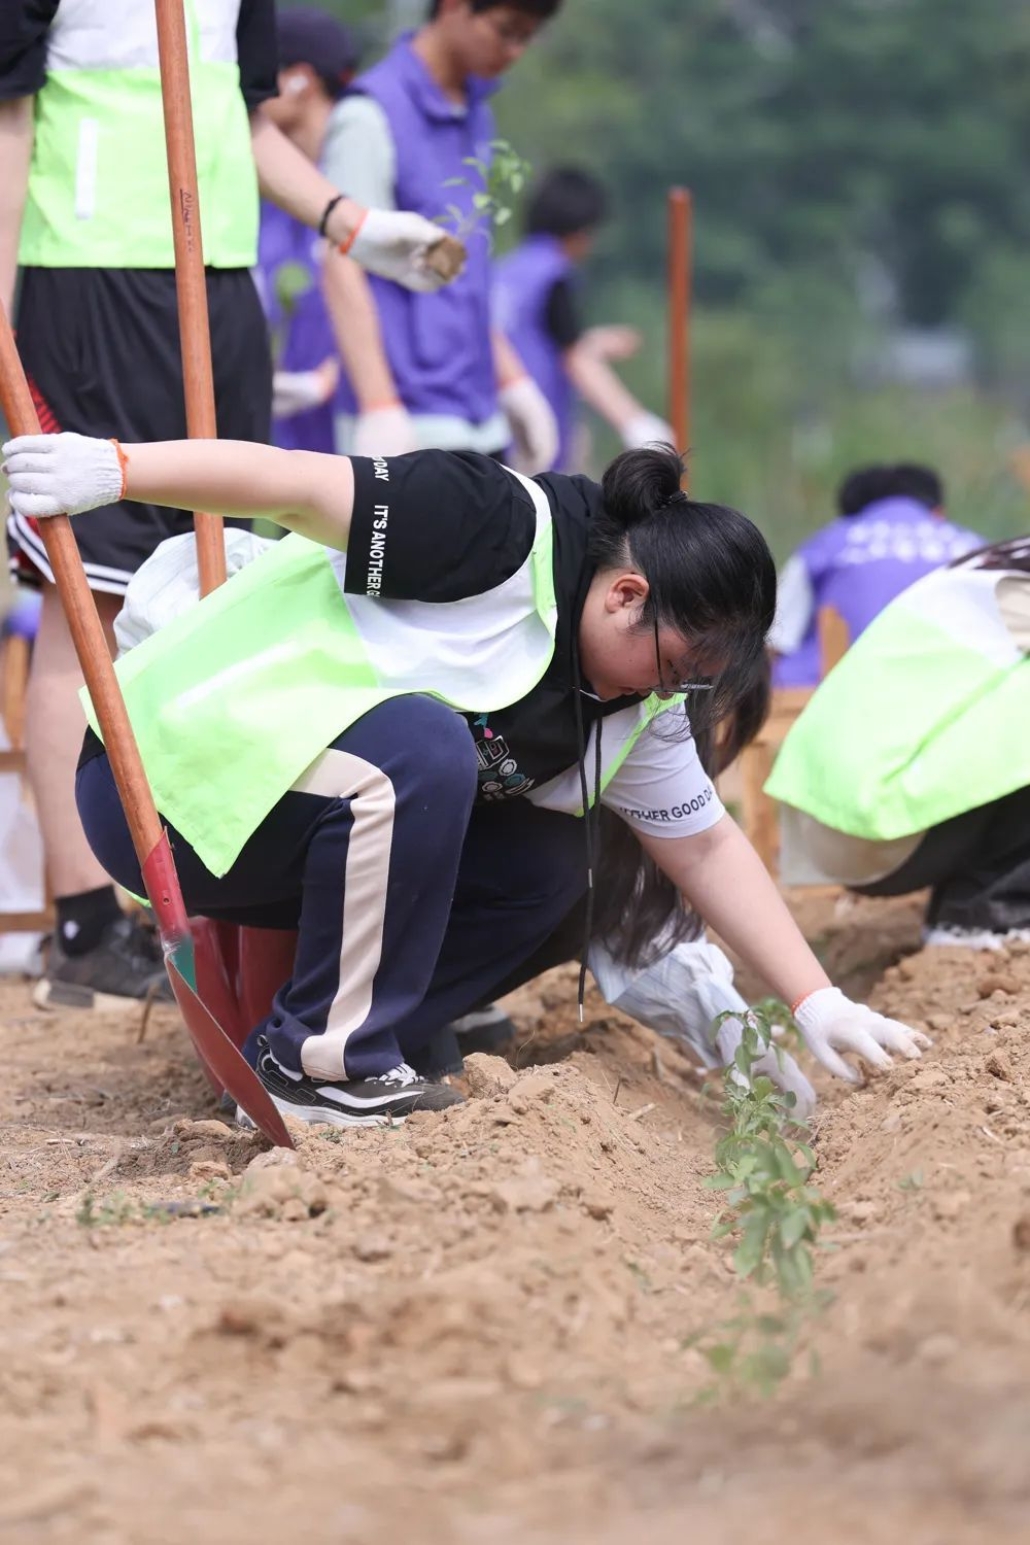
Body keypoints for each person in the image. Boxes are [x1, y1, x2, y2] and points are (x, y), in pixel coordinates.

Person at [4, 429, 930, 1125]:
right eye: (675, 665)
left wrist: (818, 1000)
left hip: (307, 816)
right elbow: (289, 482)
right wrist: (118, 468)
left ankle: (364, 1038)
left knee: (557, 868)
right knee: (426, 749)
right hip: (169, 785)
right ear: (625, 595)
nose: (674, 694)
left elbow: (701, 845)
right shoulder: (488, 526)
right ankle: (319, 1065)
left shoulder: (636, 700)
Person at [0, 0, 462, 1012]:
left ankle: (219, 891)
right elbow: (11, 118)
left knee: (216, 585)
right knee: (91, 599)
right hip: (88, 281)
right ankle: (83, 918)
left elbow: (248, 122)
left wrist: (349, 222)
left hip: (217, 279)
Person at [319, 0, 561, 468]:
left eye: (526, 38)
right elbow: (340, 263)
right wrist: (379, 406)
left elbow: (463, 274)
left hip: (476, 413)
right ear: (452, 7)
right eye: (505, 30)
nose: (513, 51)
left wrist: (512, 382)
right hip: (406, 419)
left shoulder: (476, 113)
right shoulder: (371, 113)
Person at [767, 536, 1030, 949]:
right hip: (881, 827)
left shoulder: (991, 565)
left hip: (828, 812)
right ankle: (990, 914)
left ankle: (969, 905)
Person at [493, 167, 672, 472]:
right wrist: (635, 423)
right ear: (581, 231)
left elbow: (534, 338)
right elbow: (574, 358)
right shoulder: (553, 276)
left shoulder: (505, 271)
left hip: (493, 430)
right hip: (534, 436)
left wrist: (596, 342)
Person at [769, 462, 981, 687]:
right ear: (938, 513)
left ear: (849, 515)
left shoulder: (824, 546)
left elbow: (771, 643)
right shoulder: (975, 547)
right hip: (959, 698)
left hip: (835, 703)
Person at [257, 8, 361, 455]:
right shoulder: (271, 195)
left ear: (299, 80)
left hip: (359, 435)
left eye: (261, 75)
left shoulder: (358, 182)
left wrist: (332, 377)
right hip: (293, 441)